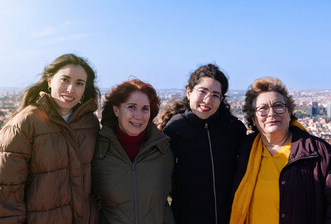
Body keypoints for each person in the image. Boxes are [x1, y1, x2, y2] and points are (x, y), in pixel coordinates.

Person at [0, 54, 100, 223]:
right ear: (50, 81)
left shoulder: (90, 124)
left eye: (79, 83)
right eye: (65, 80)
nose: (71, 89)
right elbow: (0, 194)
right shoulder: (25, 123)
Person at [230, 77, 331, 224]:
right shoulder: (244, 151)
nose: (271, 113)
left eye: (278, 106)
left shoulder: (319, 153)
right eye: (263, 108)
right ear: (253, 118)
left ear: (289, 113)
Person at [158, 64, 247, 224]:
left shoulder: (234, 129)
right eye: (203, 91)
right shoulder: (174, 130)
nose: (207, 100)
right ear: (189, 92)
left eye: (215, 95)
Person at [92, 79, 175, 224]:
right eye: (132, 107)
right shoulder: (97, 150)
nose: (139, 116)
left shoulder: (163, 149)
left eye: (145, 109)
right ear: (116, 110)